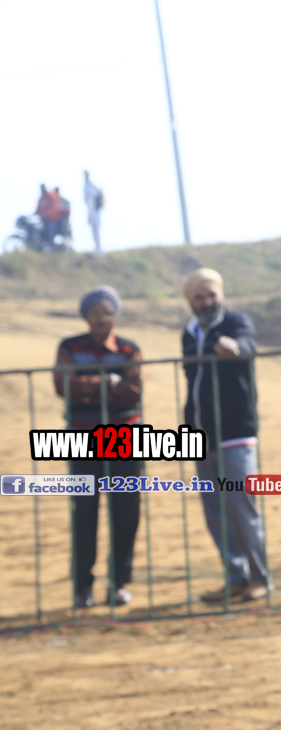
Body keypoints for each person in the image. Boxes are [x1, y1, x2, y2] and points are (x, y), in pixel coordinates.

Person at [181, 268, 270, 604]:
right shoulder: (189, 333)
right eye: (199, 297)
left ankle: (259, 578)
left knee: (242, 507)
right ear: (191, 302)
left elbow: (248, 344)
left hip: (235, 432)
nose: (207, 302)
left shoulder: (235, 322)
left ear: (220, 295)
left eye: (212, 295)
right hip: (199, 436)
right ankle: (236, 577)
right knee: (215, 511)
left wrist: (234, 347)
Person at [54, 286, 142, 608]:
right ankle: (83, 587)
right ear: (86, 317)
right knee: (85, 511)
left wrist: (88, 386)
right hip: (82, 437)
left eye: (107, 313)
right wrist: (107, 382)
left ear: (116, 317)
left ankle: (119, 583)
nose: (101, 319)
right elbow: (63, 386)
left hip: (124, 438)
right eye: (95, 313)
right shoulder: (69, 347)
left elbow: (132, 392)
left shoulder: (129, 349)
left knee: (125, 511)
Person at [83, 171, 104, 253]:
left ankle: (99, 250)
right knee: (93, 231)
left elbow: (95, 195)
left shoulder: (93, 185)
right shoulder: (85, 185)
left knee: (96, 231)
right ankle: (96, 249)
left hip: (95, 211)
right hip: (90, 211)